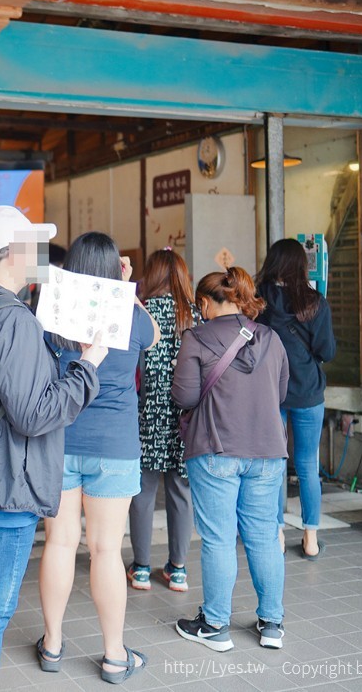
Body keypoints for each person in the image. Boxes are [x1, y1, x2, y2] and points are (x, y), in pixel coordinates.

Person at [0, 206, 107, 692]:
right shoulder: (11, 320)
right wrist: (87, 367)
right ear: (11, 257)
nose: (40, 256)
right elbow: (34, 415)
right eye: (33, 246)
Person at [37, 232, 159, 684]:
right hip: (114, 446)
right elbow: (155, 336)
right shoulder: (128, 311)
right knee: (107, 550)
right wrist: (126, 288)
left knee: (60, 544)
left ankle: (52, 645)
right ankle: (113, 656)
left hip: (60, 442)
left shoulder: (54, 309)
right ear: (115, 268)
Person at [172, 267, 289, 652]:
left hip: (216, 449)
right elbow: (281, 391)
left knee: (219, 539)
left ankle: (215, 625)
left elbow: (185, 397)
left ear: (205, 302)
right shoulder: (270, 337)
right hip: (268, 451)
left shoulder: (197, 337)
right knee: (264, 538)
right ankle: (272, 624)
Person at [255, 238, 336, 559]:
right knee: (307, 465)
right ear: (302, 266)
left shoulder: (259, 302)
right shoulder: (315, 303)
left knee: (275, 464)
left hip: (271, 392)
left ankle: (275, 534)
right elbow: (327, 352)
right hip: (307, 393)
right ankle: (311, 539)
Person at [128, 249, 201, 592]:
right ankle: (179, 569)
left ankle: (141, 568)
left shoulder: (141, 313)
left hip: (147, 413)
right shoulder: (195, 317)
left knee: (143, 491)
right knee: (180, 490)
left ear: (153, 276)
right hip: (185, 416)